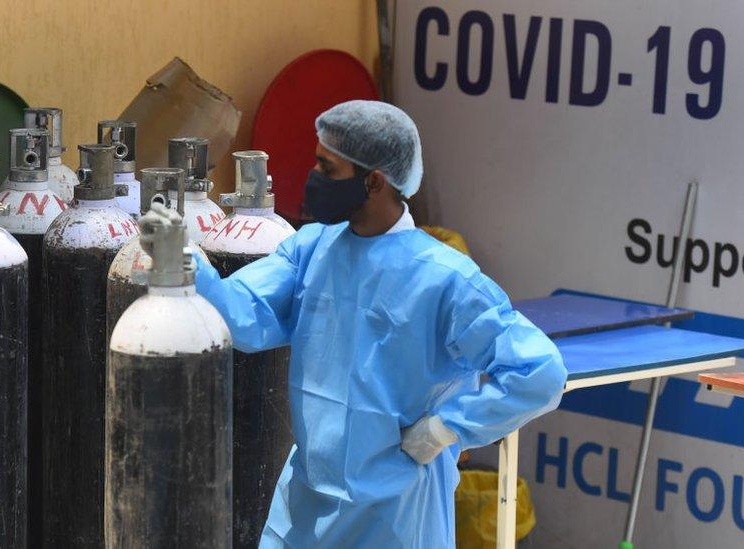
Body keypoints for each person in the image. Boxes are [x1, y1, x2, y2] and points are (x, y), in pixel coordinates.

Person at [193, 100, 567, 547]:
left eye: (327, 169)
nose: (313, 179)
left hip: (396, 508)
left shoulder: (444, 278)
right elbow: (244, 316)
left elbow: (540, 373)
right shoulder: (313, 248)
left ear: (374, 180)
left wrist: (445, 428)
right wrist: (188, 265)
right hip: (309, 499)